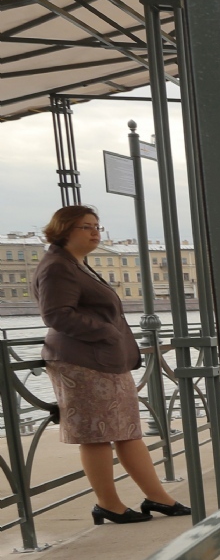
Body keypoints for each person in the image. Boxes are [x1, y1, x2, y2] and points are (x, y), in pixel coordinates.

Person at [31, 205, 189, 525]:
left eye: (97, 226)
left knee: (128, 431)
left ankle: (157, 497)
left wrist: (112, 338)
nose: (94, 233)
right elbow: (56, 315)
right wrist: (106, 332)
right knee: (97, 436)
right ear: (63, 230)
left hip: (104, 359)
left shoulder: (77, 264)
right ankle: (108, 504)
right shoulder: (58, 266)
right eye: (85, 227)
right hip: (80, 362)